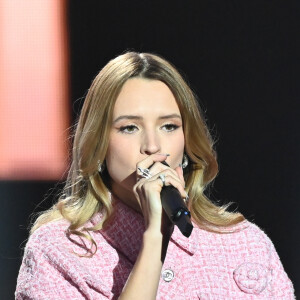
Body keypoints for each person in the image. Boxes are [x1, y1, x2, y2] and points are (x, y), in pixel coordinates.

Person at [15, 52, 295, 299]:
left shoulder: (243, 242)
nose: (152, 145)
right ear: (98, 146)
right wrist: (153, 239)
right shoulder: (60, 249)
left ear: (187, 142)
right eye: (129, 128)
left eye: (169, 126)